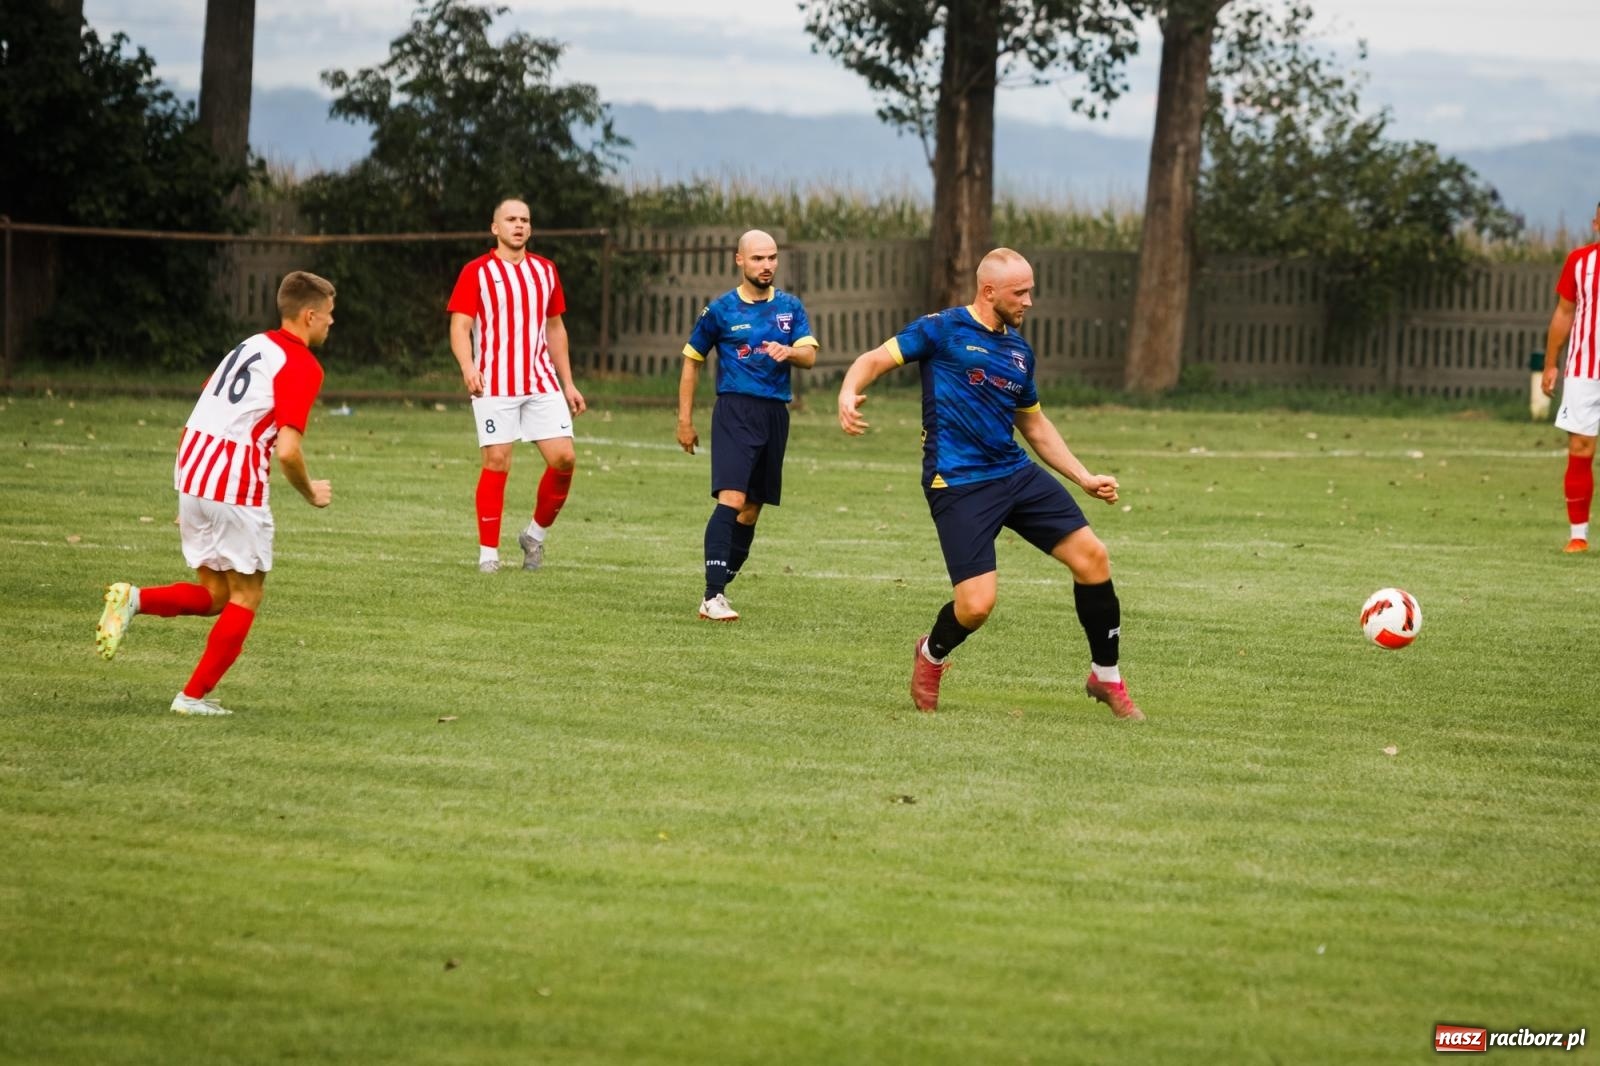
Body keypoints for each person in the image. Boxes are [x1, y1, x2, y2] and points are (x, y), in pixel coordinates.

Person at [837, 247, 1144, 720]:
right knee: (976, 607)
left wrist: (1083, 476)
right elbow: (874, 359)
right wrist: (848, 391)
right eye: (1020, 292)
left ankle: (1105, 676)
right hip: (958, 481)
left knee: (1092, 557)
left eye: (1030, 291)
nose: (1029, 302)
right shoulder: (940, 329)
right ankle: (931, 653)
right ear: (989, 291)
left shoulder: (1019, 352)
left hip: (1013, 472)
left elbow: (1034, 424)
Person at [94, 271, 336, 716]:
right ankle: (191, 698)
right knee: (247, 595)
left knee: (216, 594)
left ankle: (133, 599)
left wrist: (193, 491)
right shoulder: (301, 364)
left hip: (194, 468)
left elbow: (200, 412)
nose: (331, 322)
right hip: (234, 481)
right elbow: (287, 451)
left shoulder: (249, 346)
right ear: (309, 315)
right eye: (329, 315)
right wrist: (311, 493)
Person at [677, 229, 819, 621]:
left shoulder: (790, 306)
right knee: (732, 498)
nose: (766, 265)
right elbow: (691, 361)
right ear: (740, 260)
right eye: (758, 258)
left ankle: (719, 583)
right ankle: (713, 595)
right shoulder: (720, 311)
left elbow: (809, 356)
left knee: (751, 509)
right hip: (735, 410)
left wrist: (789, 351)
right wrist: (684, 420)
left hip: (775, 414)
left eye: (772, 257)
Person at [448, 198, 586, 573]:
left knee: (564, 459)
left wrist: (568, 383)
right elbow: (460, 326)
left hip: (541, 381)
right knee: (497, 460)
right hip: (493, 383)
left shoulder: (545, 270)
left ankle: (534, 536)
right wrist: (468, 367)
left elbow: (555, 328)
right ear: (496, 228)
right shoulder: (476, 271)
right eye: (511, 219)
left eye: (524, 219)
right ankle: (488, 555)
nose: (519, 225)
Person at [1541, 200, 1600, 553]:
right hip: (1583, 369)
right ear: (1596, 224)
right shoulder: (1580, 262)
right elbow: (1564, 313)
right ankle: (1578, 535)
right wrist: (1551, 363)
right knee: (1580, 447)